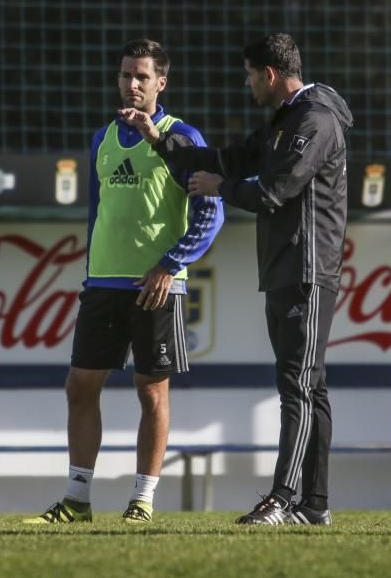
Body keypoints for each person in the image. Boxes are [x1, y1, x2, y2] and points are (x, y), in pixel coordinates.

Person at [126, 33, 352, 526]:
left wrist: (222, 190)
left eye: (250, 74)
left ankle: (284, 498)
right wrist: (158, 140)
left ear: (269, 74)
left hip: (308, 272)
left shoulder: (314, 121)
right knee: (310, 388)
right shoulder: (284, 122)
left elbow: (276, 191)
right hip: (285, 270)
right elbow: (222, 160)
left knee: (298, 385)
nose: (247, 84)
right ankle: (314, 506)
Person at [24, 39, 223, 525]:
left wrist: (170, 263)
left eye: (141, 76)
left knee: (151, 391)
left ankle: (143, 499)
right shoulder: (102, 140)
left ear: (161, 83)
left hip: (157, 285)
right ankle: (77, 499)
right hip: (103, 285)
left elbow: (210, 214)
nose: (132, 84)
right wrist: (93, 271)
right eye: (125, 75)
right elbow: (98, 214)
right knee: (79, 387)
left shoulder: (183, 138)